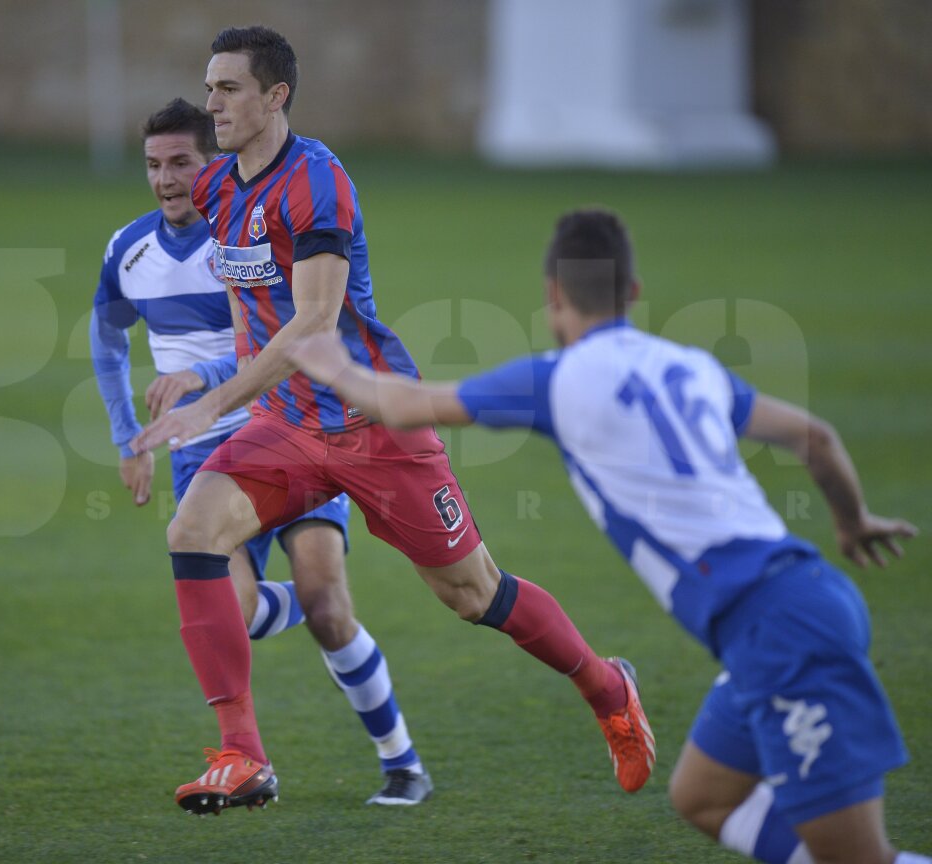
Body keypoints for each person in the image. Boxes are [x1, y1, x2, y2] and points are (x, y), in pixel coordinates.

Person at [288, 209, 925, 864]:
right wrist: (852, 521)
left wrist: (327, 359)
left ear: (554, 297)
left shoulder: (555, 379)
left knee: (857, 859)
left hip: (782, 633)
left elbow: (397, 406)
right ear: (635, 294)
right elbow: (814, 438)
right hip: (803, 600)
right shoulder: (690, 366)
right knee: (702, 797)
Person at [130, 27, 656, 816]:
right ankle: (241, 757)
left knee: (475, 595)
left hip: (376, 422)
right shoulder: (216, 191)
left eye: (229, 88)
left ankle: (608, 688)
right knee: (193, 531)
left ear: (276, 96)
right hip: (288, 429)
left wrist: (212, 401)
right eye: (209, 88)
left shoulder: (317, 180)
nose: (213, 103)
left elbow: (311, 325)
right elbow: (250, 299)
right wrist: (222, 377)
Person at [91, 98, 432, 806]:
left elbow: (295, 337)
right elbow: (106, 340)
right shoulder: (130, 250)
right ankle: (256, 738)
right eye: (153, 165)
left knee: (330, 604)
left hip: (296, 430)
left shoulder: (251, 233)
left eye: (182, 162)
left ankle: (401, 761)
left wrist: (206, 380)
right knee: (239, 614)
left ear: (211, 161)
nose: (166, 179)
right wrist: (130, 439)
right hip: (204, 460)